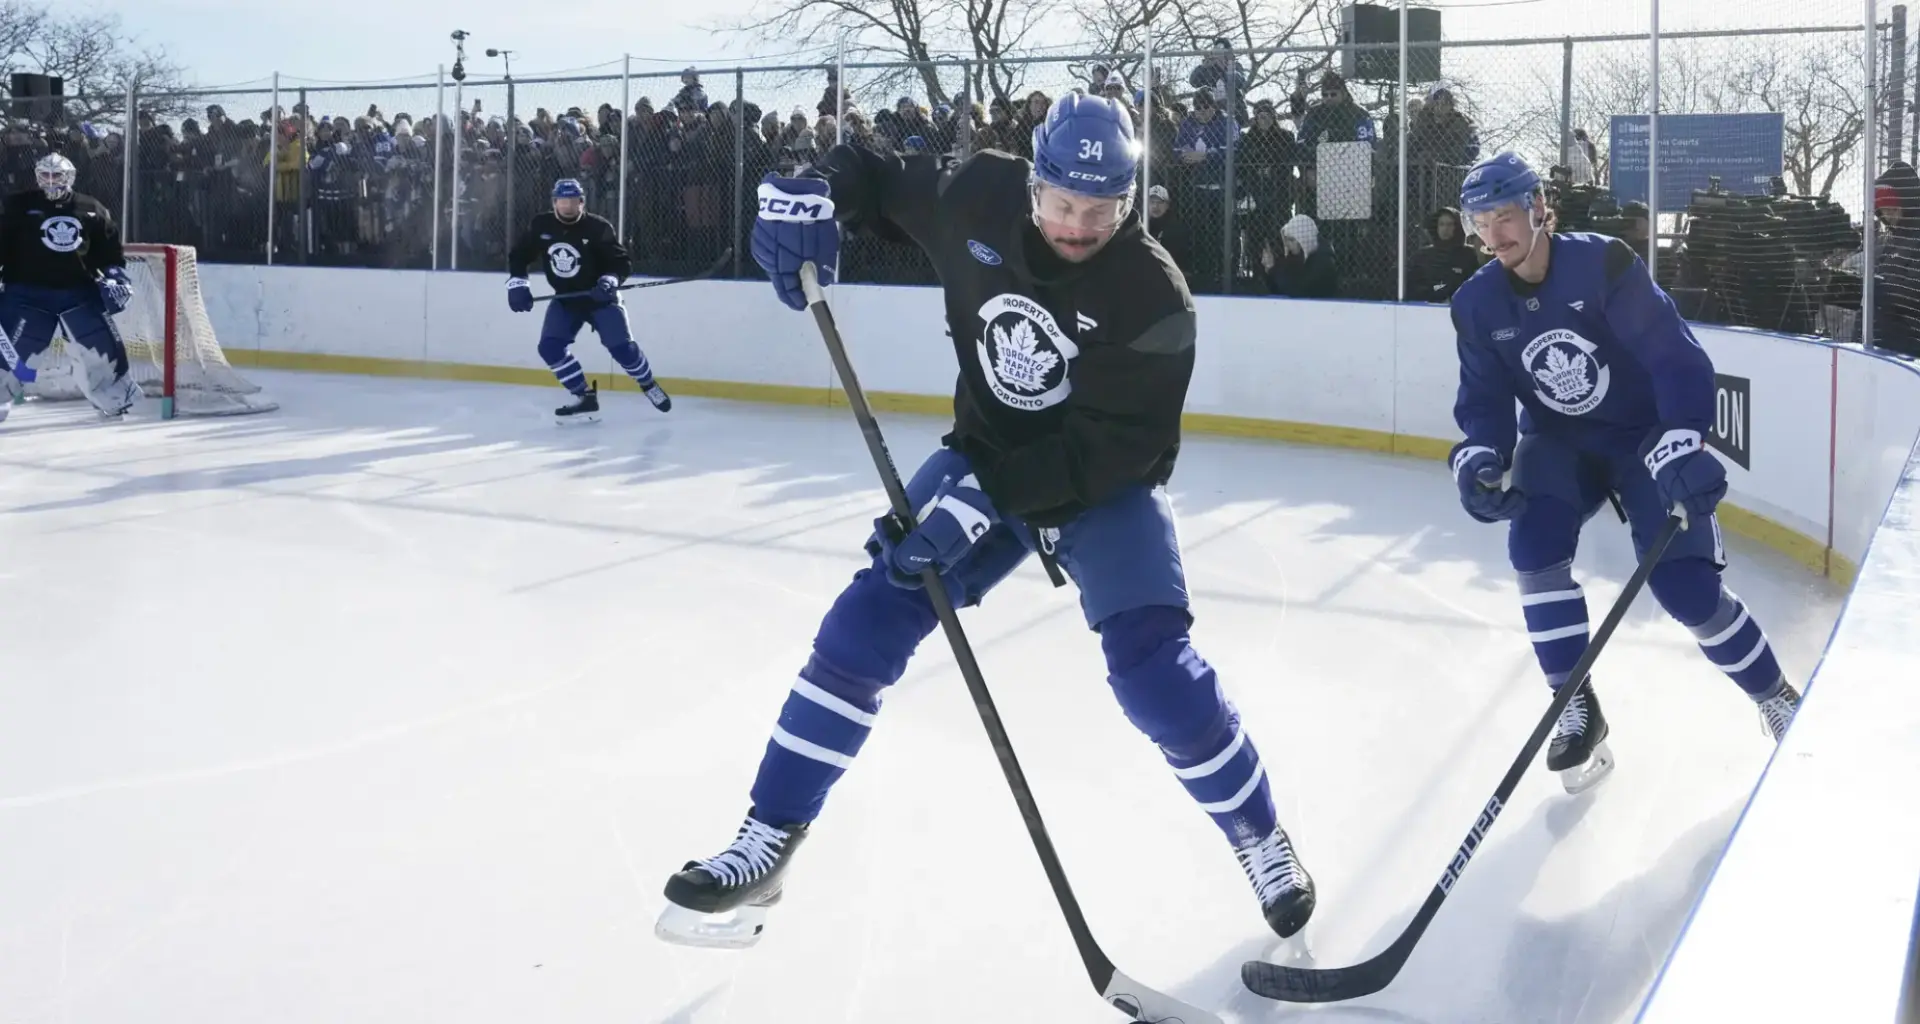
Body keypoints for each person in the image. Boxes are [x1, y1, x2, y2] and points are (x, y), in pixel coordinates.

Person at [655, 94, 1315, 950]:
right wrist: (813, 192)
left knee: (1153, 670)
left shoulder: (1154, 298)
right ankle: (770, 837)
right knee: (872, 612)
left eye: (1102, 209)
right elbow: (874, 175)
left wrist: (982, 501)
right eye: (1062, 204)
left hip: (1096, 485)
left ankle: (1261, 837)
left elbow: (1109, 453)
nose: (1078, 225)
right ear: (1032, 184)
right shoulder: (976, 192)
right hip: (987, 447)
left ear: (1130, 201)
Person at [1447, 152, 1801, 795]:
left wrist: (1684, 439)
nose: (1494, 233)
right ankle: (1574, 702)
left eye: (1505, 215)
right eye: (1480, 220)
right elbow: (1484, 403)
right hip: (1561, 444)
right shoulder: (1476, 304)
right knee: (1532, 543)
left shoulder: (1604, 262)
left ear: (1539, 209)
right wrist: (1479, 459)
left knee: (1688, 592)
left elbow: (1675, 359)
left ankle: (1776, 695)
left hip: (1645, 438)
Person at [505, 178, 670, 422]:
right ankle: (584, 396)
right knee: (549, 347)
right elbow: (519, 255)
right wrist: (518, 284)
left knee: (623, 349)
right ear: (554, 202)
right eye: (562, 201)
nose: (567, 206)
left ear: (582, 203)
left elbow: (620, 262)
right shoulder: (542, 225)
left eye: (573, 201)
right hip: (565, 300)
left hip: (601, 299)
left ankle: (647, 384)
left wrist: (610, 280)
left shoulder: (598, 228)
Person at [0, 153, 139, 421]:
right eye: (46, 176)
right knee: (10, 351)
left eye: (57, 176)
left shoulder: (92, 208)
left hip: (79, 292)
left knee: (100, 350)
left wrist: (116, 277)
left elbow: (109, 252)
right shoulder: (16, 205)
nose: (51, 181)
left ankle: (111, 399)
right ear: (38, 176)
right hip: (26, 293)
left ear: (70, 176)